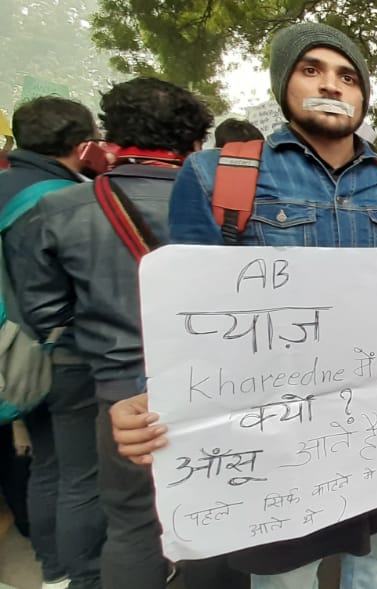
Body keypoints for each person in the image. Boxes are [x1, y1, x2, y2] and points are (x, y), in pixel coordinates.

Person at [116, 23, 377, 587]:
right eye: (311, 69)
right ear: (283, 84)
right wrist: (147, 396)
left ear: (362, 93)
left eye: (347, 75)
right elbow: (185, 318)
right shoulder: (218, 175)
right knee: (287, 578)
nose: (332, 85)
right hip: (273, 450)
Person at [6, 79, 215, 589]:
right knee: (213, 516)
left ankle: (67, 577)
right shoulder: (221, 208)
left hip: (120, 396)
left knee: (130, 525)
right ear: (193, 143)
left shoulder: (59, 211)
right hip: (212, 388)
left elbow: (43, 313)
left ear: (109, 138)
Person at [0, 95, 106, 589]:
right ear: (84, 145)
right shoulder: (61, 200)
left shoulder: (5, 187)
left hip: (12, 352)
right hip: (60, 351)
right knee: (80, 475)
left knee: (44, 464)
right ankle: (86, 575)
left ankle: (53, 570)